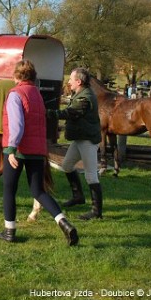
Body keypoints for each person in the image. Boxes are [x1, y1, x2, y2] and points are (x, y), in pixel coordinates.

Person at [0, 60, 78, 246]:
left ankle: (9, 231)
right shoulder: (37, 95)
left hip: (19, 150)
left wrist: (11, 149)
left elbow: (17, 126)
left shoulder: (15, 94)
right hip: (37, 150)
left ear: (16, 76)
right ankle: (63, 223)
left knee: (9, 189)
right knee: (38, 191)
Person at [47, 67, 103, 221]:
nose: (69, 82)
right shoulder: (80, 93)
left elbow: (68, 113)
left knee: (91, 176)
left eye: (71, 79)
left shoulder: (85, 98)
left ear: (78, 81)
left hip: (88, 141)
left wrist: (45, 112)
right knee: (67, 166)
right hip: (80, 139)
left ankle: (96, 212)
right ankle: (78, 196)